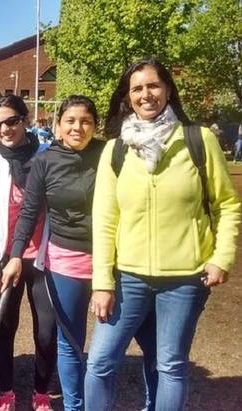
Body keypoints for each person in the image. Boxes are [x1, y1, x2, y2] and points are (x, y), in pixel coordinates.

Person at [85, 58, 241, 410]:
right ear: (128, 96)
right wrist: (102, 282)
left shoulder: (198, 140)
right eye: (137, 88)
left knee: (170, 364)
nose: (146, 94)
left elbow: (227, 205)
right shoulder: (116, 149)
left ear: (168, 89)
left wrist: (221, 258)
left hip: (185, 279)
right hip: (128, 277)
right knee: (99, 362)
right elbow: (105, 217)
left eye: (153, 85)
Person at [0, 96, 156, 411]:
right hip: (65, 264)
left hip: (113, 261)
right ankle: (74, 406)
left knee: (111, 348)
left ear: (95, 126)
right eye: (70, 121)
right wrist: (16, 254)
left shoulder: (111, 154)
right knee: (70, 344)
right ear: (57, 127)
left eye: (85, 121)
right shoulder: (45, 161)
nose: (77, 127)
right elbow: (29, 213)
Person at [0, 94, 56, 411]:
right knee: (5, 329)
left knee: (47, 333)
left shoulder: (49, 156)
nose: (4, 129)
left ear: (25, 119)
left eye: (11, 121)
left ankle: (41, 392)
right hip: (6, 260)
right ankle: (6, 391)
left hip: (43, 259)